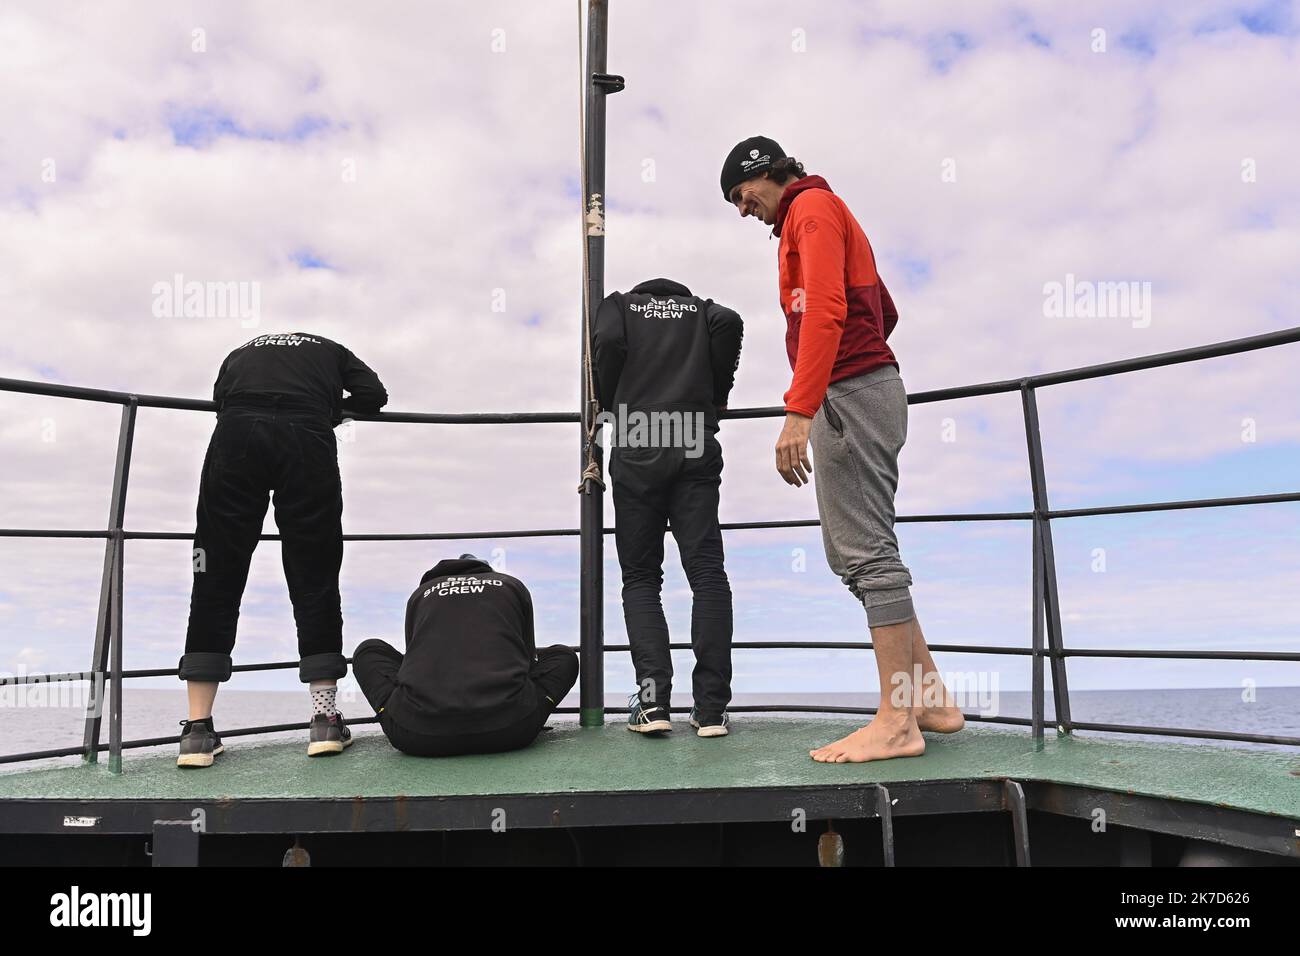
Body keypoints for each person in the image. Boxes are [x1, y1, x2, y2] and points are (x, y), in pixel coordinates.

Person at [719, 136, 965, 763]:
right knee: (856, 550)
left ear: (765, 173)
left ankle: (897, 724)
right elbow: (882, 310)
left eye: (741, 195)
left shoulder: (812, 211)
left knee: (867, 555)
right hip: (858, 390)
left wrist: (799, 413)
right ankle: (929, 699)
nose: (743, 210)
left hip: (850, 395)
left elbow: (828, 311)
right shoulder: (816, 213)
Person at [176, 331, 388, 768]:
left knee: (214, 571)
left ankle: (197, 731)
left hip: (236, 437)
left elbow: (221, 400)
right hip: (306, 437)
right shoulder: (334, 349)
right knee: (315, 572)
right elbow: (374, 395)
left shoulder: (239, 350)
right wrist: (328, 412)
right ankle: (324, 722)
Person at [592, 278, 743, 737]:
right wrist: (719, 393)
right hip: (694, 434)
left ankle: (654, 705)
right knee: (706, 570)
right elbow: (730, 321)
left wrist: (611, 397)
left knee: (640, 578)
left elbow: (608, 341)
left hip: (638, 434)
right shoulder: (702, 310)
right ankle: (712, 709)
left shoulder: (618, 306)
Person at [352, 555, 578, 757]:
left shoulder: (421, 594)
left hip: (417, 735)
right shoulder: (511, 586)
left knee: (368, 650)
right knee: (564, 656)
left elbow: (411, 658)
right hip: (512, 728)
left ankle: (398, 712)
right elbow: (528, 658)